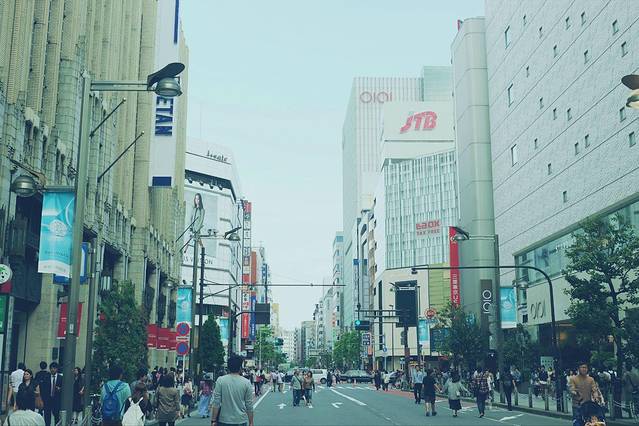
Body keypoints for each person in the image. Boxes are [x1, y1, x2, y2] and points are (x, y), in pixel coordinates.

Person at [211, 355, 254, 426]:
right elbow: (249, 404)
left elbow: (216, 402)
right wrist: (251, 422)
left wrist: (213, 420)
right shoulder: (246, 382)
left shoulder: (220, 380)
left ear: (228, 367)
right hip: (240, 420)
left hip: (224, 420)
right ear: (240, 368)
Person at [569, 362, 599, 426]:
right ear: (578, 369)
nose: (584, 369)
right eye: (582, 367)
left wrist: (596, 397)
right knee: (577, 422)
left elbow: (594, 390)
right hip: (577, 405)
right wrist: (574, 392)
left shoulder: (591, 379)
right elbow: (572, 388)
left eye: (585, 367)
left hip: (587, 405)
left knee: (588, 422)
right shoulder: (573, 379)